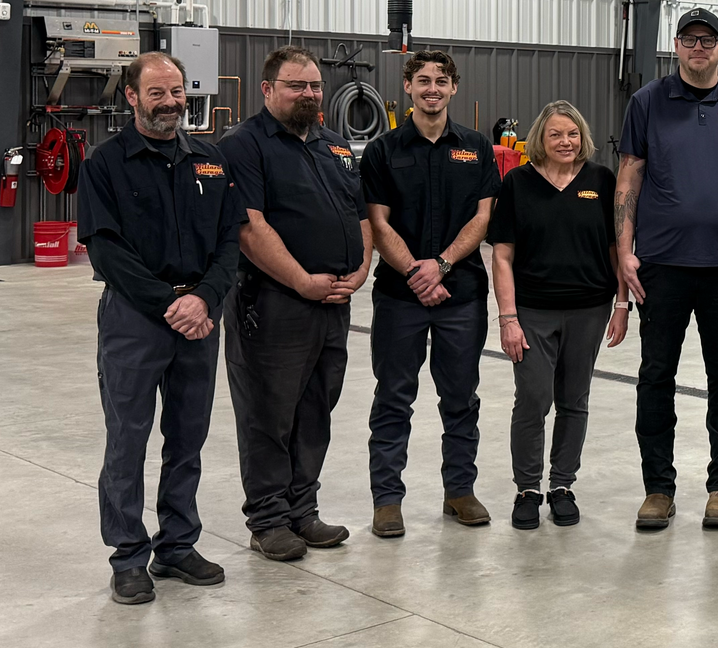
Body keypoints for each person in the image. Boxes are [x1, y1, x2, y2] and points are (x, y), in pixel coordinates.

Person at [80, 52, 244, 604]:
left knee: (188, 437)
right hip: (136, 319)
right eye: (158, 93)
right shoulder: (106, 163)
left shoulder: (211, 161)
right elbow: (105, 249)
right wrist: (170, 303)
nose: (171, 103)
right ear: (131, 96)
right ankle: (128, 555)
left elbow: (230, 243)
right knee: (127, 439)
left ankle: (177, 545)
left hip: (199, 317)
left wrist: (203, 299)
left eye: (177, 92)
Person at [220, 45, 372, 562]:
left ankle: (302, 511)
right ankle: (267, 519)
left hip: (333, 303)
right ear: (267, 90)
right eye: (295, 85)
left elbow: (361, 213)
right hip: (274, 302)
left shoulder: (335, 145)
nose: (308, 93)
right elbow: (249, 226)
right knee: (269, 413)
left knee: (316, 409)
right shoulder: (244, 144)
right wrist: (302, 280)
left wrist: (361, 268)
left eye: (313, 85)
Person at [615, 8, 718, 530]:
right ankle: (658, 489)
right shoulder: (647, 102)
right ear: (675, 46)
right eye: (688, 39)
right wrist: (624, 251)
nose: (698, 48)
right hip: (661, 265)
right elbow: (629, 177)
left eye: (708, 40)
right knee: (656, 376)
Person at [359, 50, 501, 537]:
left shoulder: (477, 147)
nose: (432, 88)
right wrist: (416, 273)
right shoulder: (382, 151)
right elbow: (377, 222)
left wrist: (439, 266)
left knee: (460, 398)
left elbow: (482, 218)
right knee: (394, 398)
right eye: (423, 80)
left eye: (442, 80)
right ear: (408, 86)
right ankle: (387, 500)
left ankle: (459, 491)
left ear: (454, 87)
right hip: (400, 298)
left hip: (460, 295)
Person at [490, 101, 629, 530]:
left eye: (571, 133)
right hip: (532, 310)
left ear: (582, 135)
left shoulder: (601, 181)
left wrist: (622, 304)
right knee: (533, 399)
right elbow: (502, 254)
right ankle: (528, 489)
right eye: (555, 134)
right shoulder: (518, 183)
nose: (565, 142)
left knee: (575, 401)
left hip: (589, 308)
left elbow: (616, 250)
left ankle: (562, 486)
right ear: (540, 140)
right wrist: (508, 318)